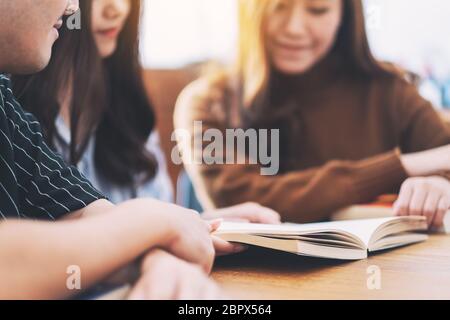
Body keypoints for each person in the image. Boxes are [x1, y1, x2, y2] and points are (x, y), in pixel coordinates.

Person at [0, 0, 222, 300]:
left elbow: (80, 208)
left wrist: (156, 258)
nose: (72, 8)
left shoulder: (5, 108)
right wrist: (153, 223)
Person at [175, 0, 450, 229]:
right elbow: (244, 202)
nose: (294, 28)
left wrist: (439, 184)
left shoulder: (389, 90)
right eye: (278, 6)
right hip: (251, 281)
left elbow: (444, 156)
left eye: (317, 9)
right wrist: (404, 166)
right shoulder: (208, 101)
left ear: (345, 15)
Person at [12, 0, 281, 232]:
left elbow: (144, 223)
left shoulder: (126, 106)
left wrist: (203, 224)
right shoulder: (14, 115)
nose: (117, 9)